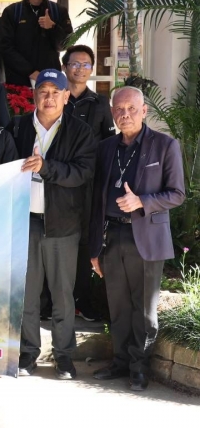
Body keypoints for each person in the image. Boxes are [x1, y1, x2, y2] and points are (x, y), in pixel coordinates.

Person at [89, 87, 185, 391]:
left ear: (144, 111)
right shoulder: (106, 147)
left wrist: (142, 201)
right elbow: (96, 200)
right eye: (119, 109)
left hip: (146, 235)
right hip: (112, 235)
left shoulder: (165, 145)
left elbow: (177, 194)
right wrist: (94, 247)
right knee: (117, 306)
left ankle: (139, 368)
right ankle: (119, 362)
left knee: (143, 310)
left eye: (132, 108)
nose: (125, 114)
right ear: (112, 112)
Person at [10, 69, 96, 380]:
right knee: (27, 294)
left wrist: (47, 168)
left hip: (62, 224)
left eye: (55, 91)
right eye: (43, 91)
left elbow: (82, 173)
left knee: (62, 295)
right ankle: (27, 354)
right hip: (25, 221)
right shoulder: (18, 126)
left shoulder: (80, 131)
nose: (49, 97)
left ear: (66, 95)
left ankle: (64, 357)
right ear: (34, 95)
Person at [62, 44, 115, 323]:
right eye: (75, 63)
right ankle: (53, 300)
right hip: (57, 180)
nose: (80, 69)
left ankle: (80, 299)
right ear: (65, 67)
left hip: (88, 183)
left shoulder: (100, 103)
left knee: (84, 241)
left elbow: (109, 143)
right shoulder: (56, 98)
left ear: (91, 70)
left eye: (85, 65)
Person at [0, 0, 73, 86]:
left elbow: (65, 45)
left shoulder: (58, 10)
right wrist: (30, 72)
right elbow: (6, 48)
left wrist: (52, 27)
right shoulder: (12, 12)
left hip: (50, 78)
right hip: (18, 80)